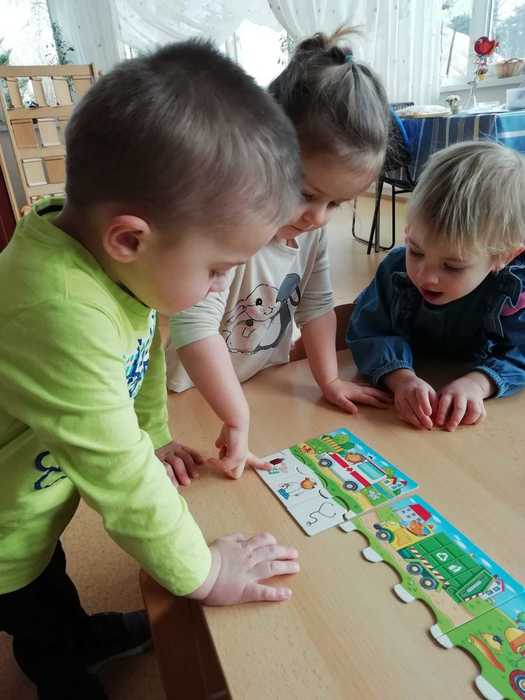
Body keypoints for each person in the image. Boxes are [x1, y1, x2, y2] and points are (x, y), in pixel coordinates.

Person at [0, 41, 302, 700]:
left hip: (28, 501)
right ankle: (66, 670)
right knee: (37, 617)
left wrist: (157, 435)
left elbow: (140, 358)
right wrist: (203, 573)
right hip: (2, 531)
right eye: (217, 269)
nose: (218, 288)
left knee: (47, 584)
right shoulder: (58, 311)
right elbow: (120, 478)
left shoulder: (114, 264)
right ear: (130, 238)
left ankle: (76, 635)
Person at [166, 29, 392, 484]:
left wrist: (329, 380)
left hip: (255, 386)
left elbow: (317, 306)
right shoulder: (225, 229)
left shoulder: (310, 231)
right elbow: (195, 326)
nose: (317, 217)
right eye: (306, 193)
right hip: (187, 395)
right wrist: (236, 416)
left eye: (335, 204)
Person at [347, 141, 525, 432]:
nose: (426, 276)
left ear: (503, 257)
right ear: (408, 231)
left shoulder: (515, 290)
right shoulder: (395, 270)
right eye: (416, 251)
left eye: (452, 266)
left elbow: (521, 352)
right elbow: (368, 330)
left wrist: (479, 383)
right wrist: (400, 377)